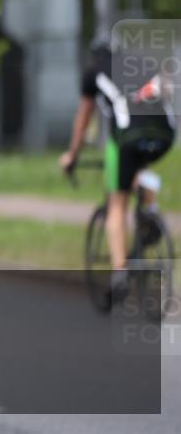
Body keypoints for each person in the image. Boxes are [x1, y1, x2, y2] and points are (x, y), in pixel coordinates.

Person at [60, 40, 176, 302]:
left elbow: (83, 119)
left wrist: (72, 155)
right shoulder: (139, 63)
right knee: (140, 166)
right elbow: (165, 88)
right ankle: (151, 213)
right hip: (165, 133)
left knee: (117, 203)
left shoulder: (93, 72)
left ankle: (120, 271)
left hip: (128, 134)